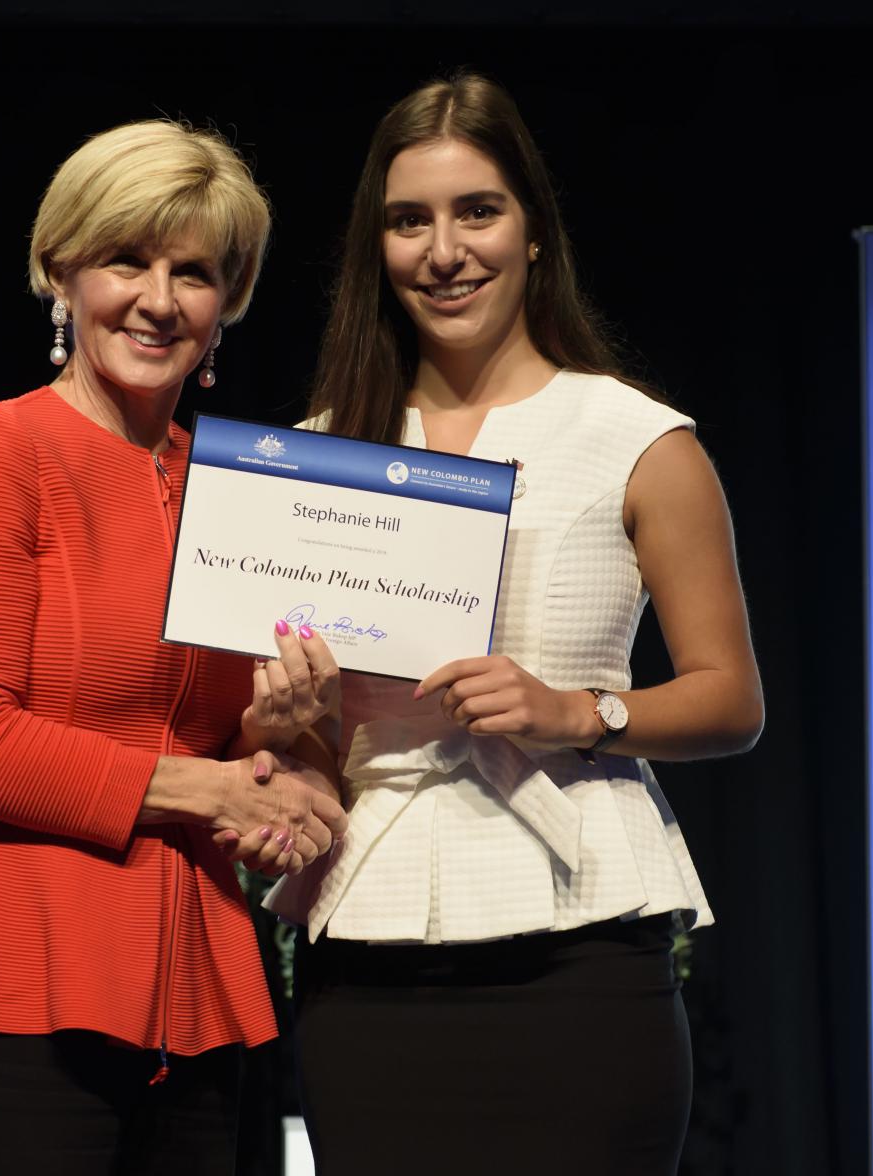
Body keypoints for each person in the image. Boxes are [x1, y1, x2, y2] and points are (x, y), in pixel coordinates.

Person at [266, 73, 765, 1176]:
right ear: (377, 247)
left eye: (476, 211)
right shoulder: (320, 453)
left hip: (580, 957)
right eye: (409, 221)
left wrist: (576, 709)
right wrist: (293, 729)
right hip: (371, 954)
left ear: (535, 231)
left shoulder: (638, 439)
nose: (444, 251)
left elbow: (732, 698)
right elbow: (316, 752)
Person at [0, 119, 347, 1176]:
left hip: (198, 997)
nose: (159, 297)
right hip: (16, 991)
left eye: (195, 272)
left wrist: (292, 773)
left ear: (227, 302)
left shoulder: (248, 490)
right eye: (126, 260)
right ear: (61, 271)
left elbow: (257, 749)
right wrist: (212, 791)